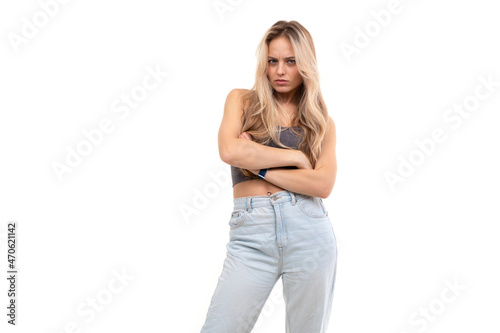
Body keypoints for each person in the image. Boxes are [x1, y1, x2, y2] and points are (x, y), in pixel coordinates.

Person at [200, 20, 338, 333]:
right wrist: (296, 158)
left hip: (310, 232)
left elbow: (322, 184)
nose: (280, 71)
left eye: (290, 62)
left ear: (305, 65)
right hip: (251, 235)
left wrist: (260, 167)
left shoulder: (321, 123)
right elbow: (229, 150)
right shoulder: (242, 101)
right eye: (272, 61)